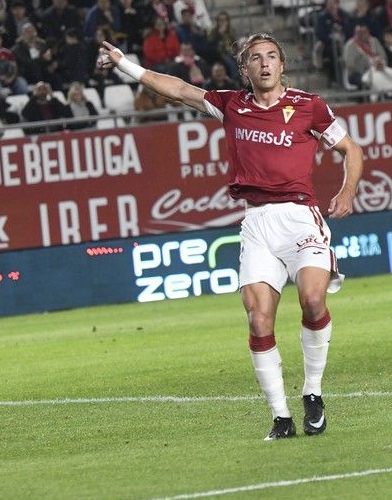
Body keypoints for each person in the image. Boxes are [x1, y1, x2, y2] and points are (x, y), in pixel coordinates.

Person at [97, 33, 364, 441]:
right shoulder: (231, 106)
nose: (265, 64)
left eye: (272, 56)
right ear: (245, 69)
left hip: (300, 219)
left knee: (313, 300)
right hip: (256, 224)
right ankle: (281, 417)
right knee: (259, 320)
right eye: (255, 58)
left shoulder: (309, 106)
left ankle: (313, 391)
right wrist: (125, 64)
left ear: (282, 64)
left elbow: (351, 149)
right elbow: (179, 89)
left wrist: (346, 192)